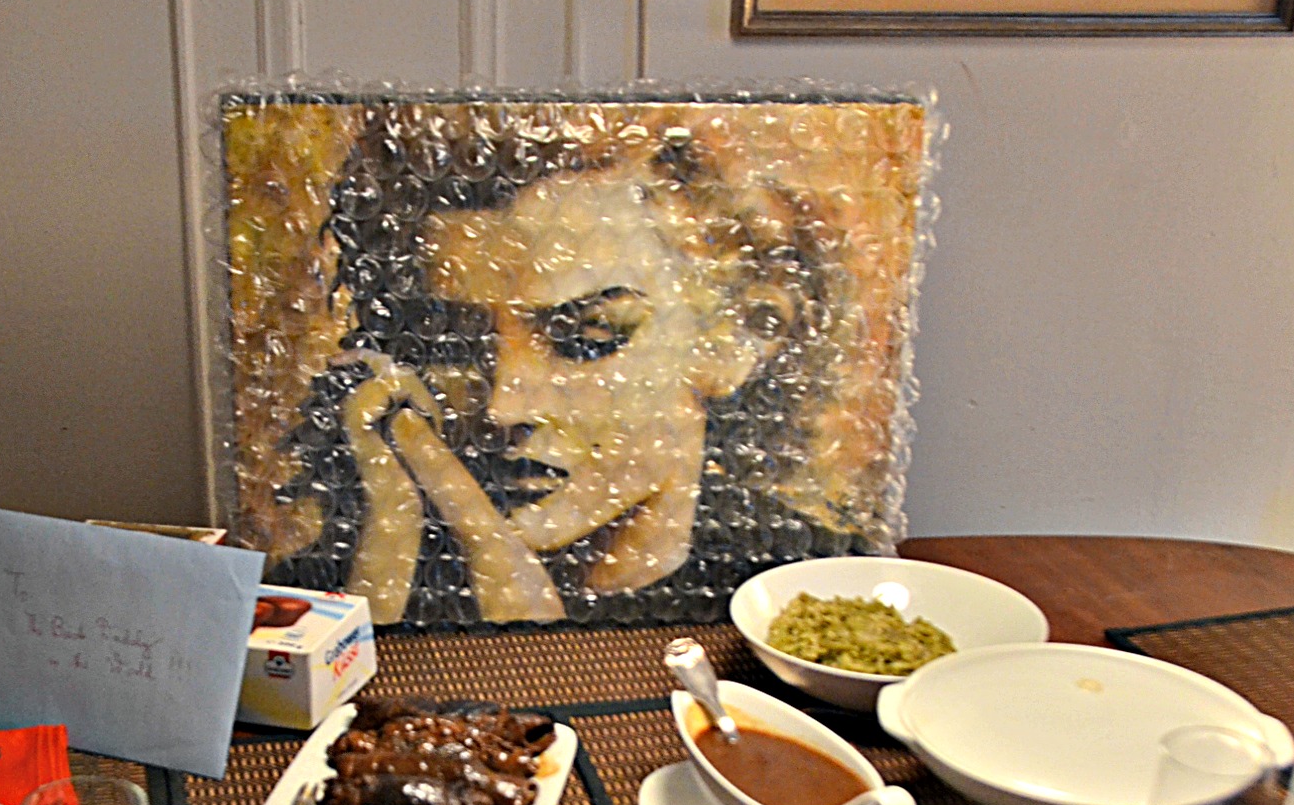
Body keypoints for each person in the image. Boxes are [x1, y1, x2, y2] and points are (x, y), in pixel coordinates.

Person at [256, 103, 907, 626]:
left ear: (737, 337)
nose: (503, 404)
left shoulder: (818, 593)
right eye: (453, 345)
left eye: (588, 335)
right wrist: (394, 539)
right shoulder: (331, 577)